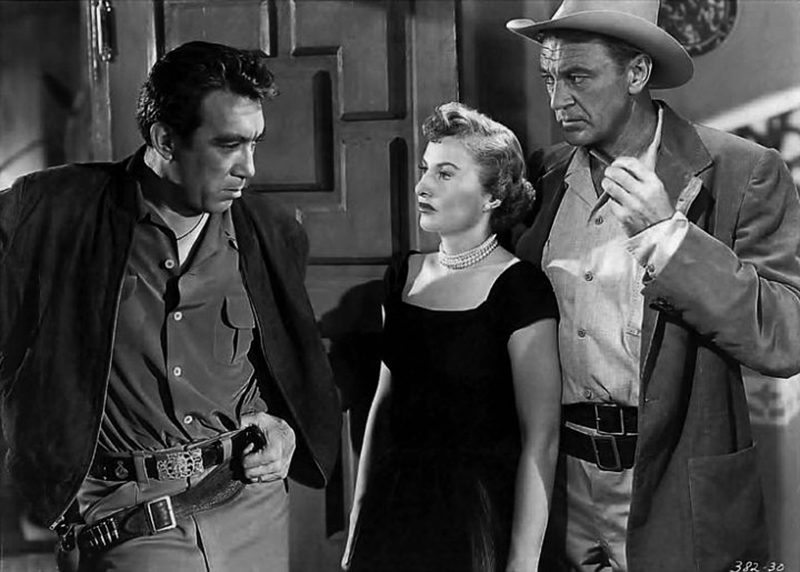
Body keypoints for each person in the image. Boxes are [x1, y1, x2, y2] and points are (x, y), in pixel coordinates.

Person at [0, 41, 341, 572]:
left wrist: (284, 427)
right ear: (165, 140)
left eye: (254, 143)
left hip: (249, 502)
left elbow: (283, 358)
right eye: (228, 145)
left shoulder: (271, 231)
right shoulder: (51, 211)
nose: (249, 168)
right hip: (128, 517)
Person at [505, 1, 800, 571]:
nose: (557, 99)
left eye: (577, 77)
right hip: (558, 484)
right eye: (548, 78)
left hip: (672, 488)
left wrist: (670, 238)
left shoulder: (742, 171)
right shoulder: (543, 175)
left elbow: (787, 335)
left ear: (637, 73)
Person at [340, 102, 562, 572]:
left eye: (445, 173)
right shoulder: (403, 274)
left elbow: (541, 438)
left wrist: (522, 563)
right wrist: (359, 512)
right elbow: (383, 403)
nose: (422, 186)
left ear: (492, 196)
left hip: (476, 518)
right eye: (426, 169)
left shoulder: (521, 289)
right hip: (393, 510)